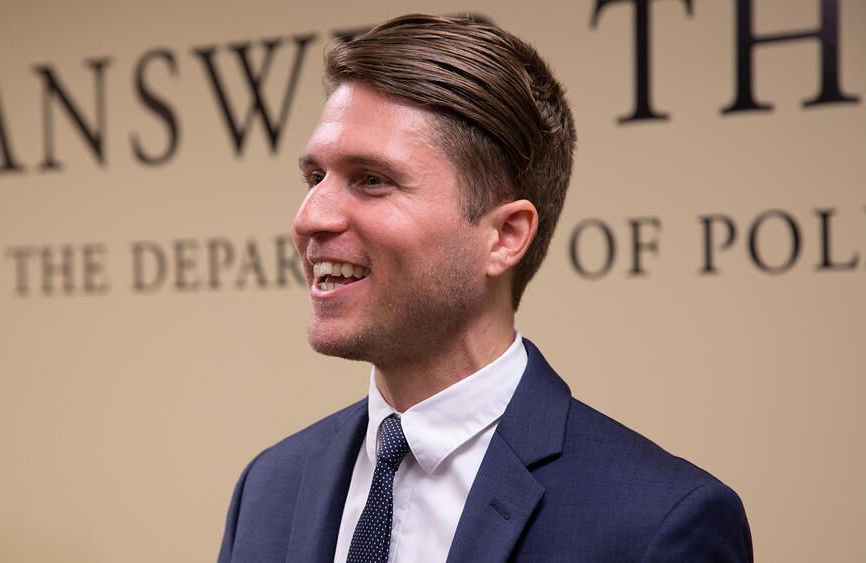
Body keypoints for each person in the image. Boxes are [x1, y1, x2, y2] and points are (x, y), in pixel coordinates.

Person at [218, 13, 752, 563]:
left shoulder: (658, 523)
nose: (310, 218)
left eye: (372, 180)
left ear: (504, 236)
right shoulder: (267, 489)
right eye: (315, 178)